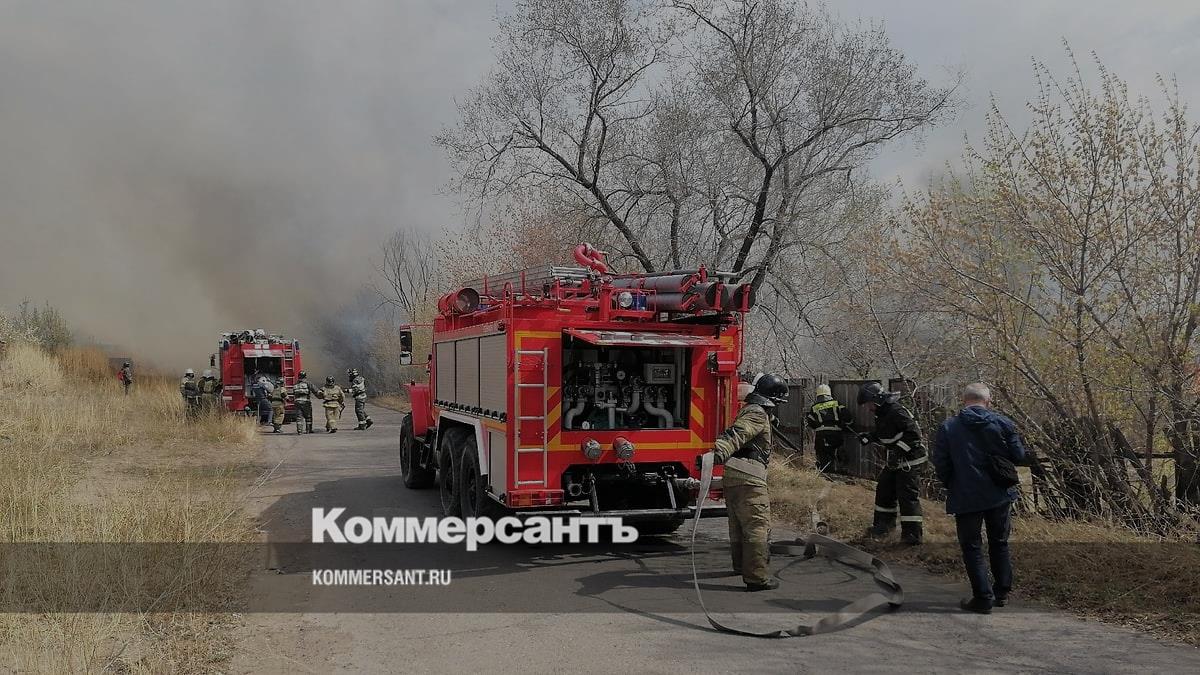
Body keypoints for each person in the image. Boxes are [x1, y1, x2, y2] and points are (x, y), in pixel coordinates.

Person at [933, 383, 1026, 614]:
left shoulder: (948, 427)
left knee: (972, 546)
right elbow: (1019, 456)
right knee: (999, 542)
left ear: (964, 400)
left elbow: (941, 463)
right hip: (999, 492)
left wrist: (952, 483)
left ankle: (983, 597)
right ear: (988, 401)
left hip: (965, 494)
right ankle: (1001, 592)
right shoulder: (1003, 423)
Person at [711, 372, 790, 592]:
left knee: (738, 526)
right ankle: (757, 578)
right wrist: (718, 452)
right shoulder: (756, 413)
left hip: (734, 476)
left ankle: (741, 566)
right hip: (750, 478)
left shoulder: (751, 409)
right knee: (757, 527)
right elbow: (738, 433)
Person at [858, 382, 927, 545]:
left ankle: (912, 537)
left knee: (907, 497)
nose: (867, 408)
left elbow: (914, 435)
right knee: (884, 490)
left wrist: (898, 452)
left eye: (868, 403)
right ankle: (883, 528)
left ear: (876, 399)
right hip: (896, 460)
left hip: (910, 460)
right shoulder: (882, 412)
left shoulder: (897, 411)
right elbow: (886, 432)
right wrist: (870, 437)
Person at [805, 384, 854, 474]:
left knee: (822, 454)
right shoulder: (836, 404)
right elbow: (848, 417)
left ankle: (825, 473)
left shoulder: (814, 407)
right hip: (835, 434)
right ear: (829, 393)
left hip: (821, 435)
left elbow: (810, 422)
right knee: (836, 450)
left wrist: (818, 426)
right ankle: (840, 469)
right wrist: (845, 425)